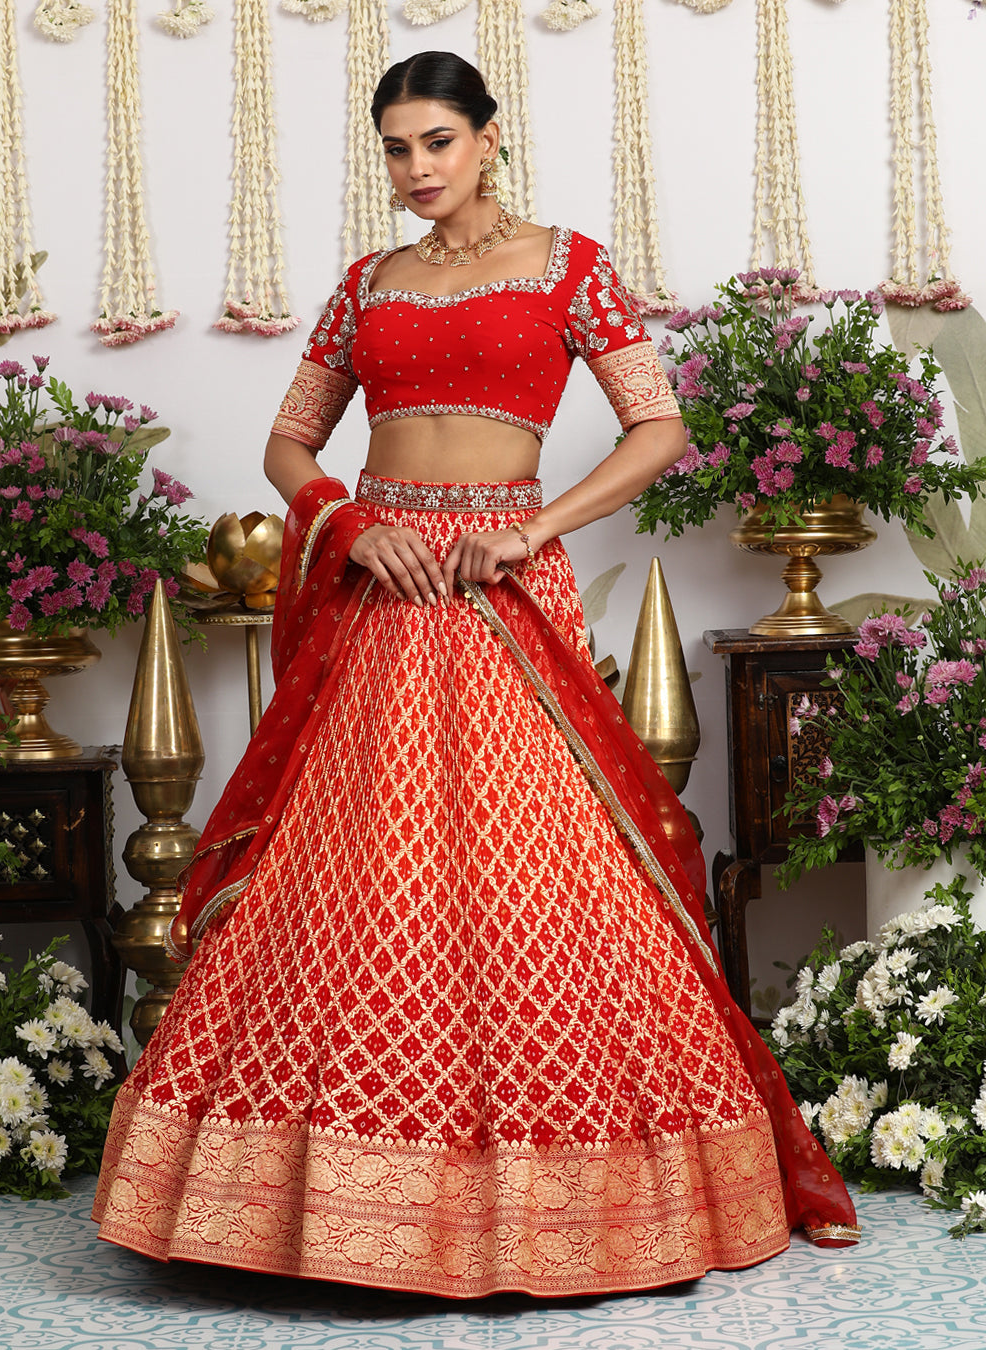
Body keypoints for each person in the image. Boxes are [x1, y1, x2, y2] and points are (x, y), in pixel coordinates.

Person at [93, 51, 858, 1297]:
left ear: (491, 140)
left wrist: (534, 526)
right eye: (395, 149)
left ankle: (569, 1203)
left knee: (534, 870)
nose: (415, 171)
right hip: (381, 598)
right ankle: (319, 1208)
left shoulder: (568, 267)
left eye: (438, 143)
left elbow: (662, 427)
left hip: (501, 591)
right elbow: (289, 443)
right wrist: (349, 518)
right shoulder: (365, 285)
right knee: (360, 864)